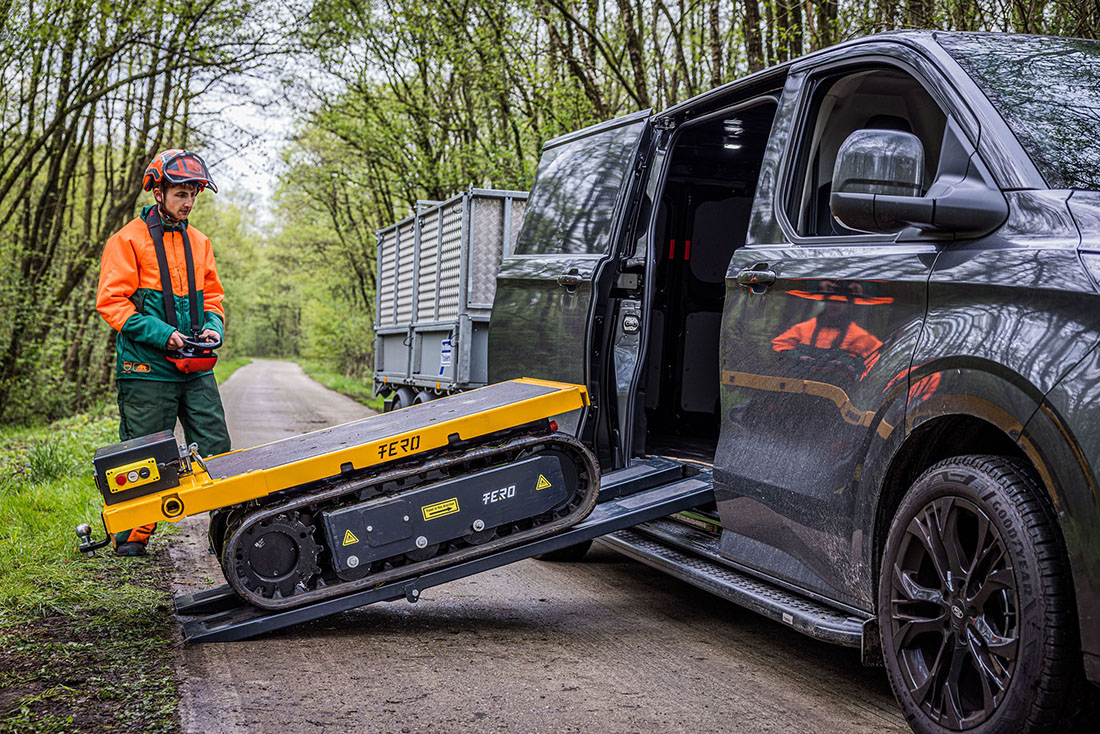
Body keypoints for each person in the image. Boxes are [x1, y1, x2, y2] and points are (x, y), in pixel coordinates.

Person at [96, 150, 232, 556]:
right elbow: (113, 304)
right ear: (158, 191)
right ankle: (132, 540)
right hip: (146, 368)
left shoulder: (199, 242)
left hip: (195, 367)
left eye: (193, 194)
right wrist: (163, 335)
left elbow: (215, 298)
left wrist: (213, 327)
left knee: (217, 448)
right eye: (180, 193)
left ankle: (228, 532)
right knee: (143, 454)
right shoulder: (127, 240)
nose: (188, 202)